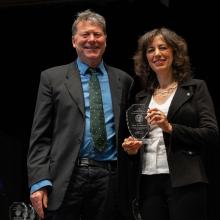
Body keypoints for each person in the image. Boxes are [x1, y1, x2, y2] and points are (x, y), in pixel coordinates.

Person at [27, 9, 134, 220]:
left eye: (97, 34)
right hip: (65, 178)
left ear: (106, 40)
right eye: (85, 35)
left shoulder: (124, 80)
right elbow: (40, 136)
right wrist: (38, 182)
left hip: (110, 179)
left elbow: (130, 131)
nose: (91, 40)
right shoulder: (52, 78)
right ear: (74, 41)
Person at [121, 27, 219, 220]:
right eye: (150, 50)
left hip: (185, 180)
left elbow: (211, 134)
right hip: (148, 181)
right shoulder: (141, 97)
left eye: (163, 47)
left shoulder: (195, 88)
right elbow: (140, 138)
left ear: (174, 52)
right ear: (146, 58)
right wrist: (133, 149)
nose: (157, 54)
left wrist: (170, 127)